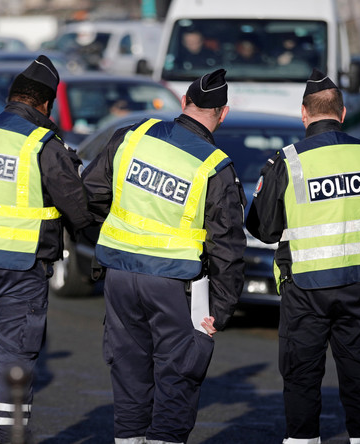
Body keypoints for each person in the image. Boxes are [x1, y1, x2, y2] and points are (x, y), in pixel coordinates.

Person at [246, 69, 360, 444]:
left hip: (305, 290)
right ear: (343, 113)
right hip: (359, 289)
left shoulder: (288, 162)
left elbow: (262, 229)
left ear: (304, 113)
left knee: (301, 380)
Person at [81, 68, 247, 444]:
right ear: (223, 113)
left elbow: (90, 195)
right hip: (175, 285)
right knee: (178, 375)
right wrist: (219, 312)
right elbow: (227, 249)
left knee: (128, 370)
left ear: (184, 102)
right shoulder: (215, 166)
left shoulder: (132, 136)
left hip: (120, 275)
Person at [0, 54, 94, 444]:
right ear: (46, 103)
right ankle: (11, 436)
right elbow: (78, 209)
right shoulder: (43, 145)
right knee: (15, 356)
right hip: (18, 265)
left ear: (12, 97)